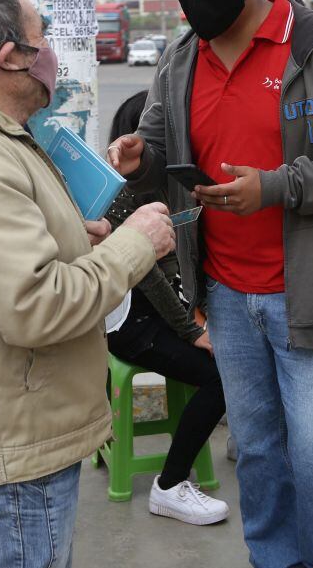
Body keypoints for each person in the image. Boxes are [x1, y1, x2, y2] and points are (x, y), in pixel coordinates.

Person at [108, 0, 313, 568]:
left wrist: (272, 187)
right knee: (258, 448)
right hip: (227, 295)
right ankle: (275, 557)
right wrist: (138, 158)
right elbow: (157, 148)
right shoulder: (180, 59)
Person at [0, 0, 175, 568]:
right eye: (41, 37)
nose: (51, 52)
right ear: (10, 58)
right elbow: (35, 306)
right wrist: (134, 245)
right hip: (9, 449)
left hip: (19, 433)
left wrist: (80, 240)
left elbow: (10, 261)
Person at [104, 91, 229, 525]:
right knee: (220, 378)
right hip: (132, 326)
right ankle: (171, 484)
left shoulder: (158, 184)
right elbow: (150, 277)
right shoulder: (126, 193)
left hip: (152, 314)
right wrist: (192, 331)